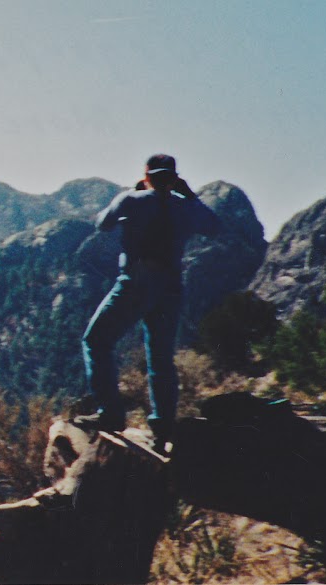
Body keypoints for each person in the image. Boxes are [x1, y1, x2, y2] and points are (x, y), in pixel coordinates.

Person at [78, 154, 223, 451]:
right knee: (160, 357)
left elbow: (101, 224)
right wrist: (189, 195)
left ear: (147, 176)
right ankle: (163, 428)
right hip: (170, 287)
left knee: (96, 341)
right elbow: (214, 226)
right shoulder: (186, 207)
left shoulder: (130, 200)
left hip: (135, 282)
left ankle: (110, 415)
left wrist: (137, 192)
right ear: (173, 178)